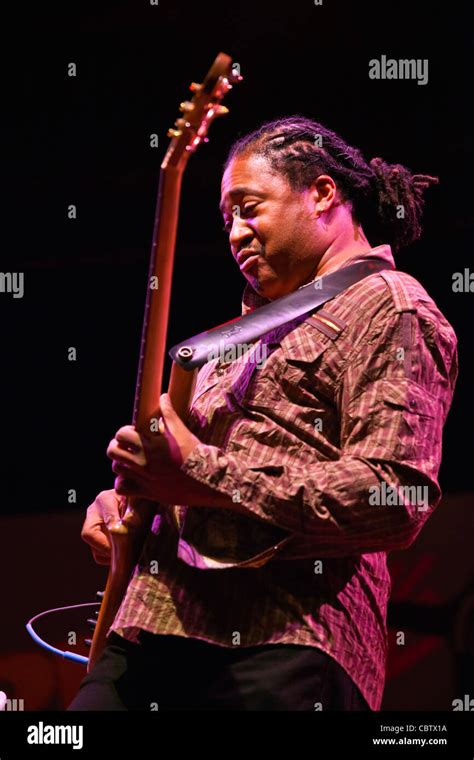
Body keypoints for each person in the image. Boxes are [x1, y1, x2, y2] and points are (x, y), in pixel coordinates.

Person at [67, 116, 458, 711]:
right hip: (150, 628)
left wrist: (203, 473)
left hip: (283, 642)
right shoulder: (234, 336)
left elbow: (397, 496)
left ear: (323, 194)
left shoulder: (393, 307)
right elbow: (180, 474)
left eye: (249, 208)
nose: (235, 233)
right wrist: (132, 507)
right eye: (227, 220)